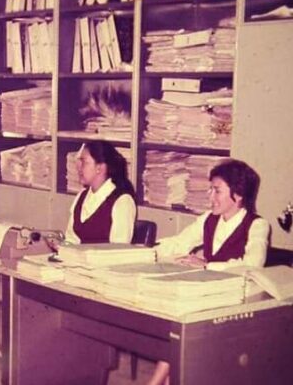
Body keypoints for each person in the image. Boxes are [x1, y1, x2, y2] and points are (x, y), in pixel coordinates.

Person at [149, 158, 269, 385]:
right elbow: (180, 242)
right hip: (208, 298)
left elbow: (253, 264)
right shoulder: (208, 219)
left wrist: (207, 266)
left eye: (217, 190)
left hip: (235, 306)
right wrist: (148, 252)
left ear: (238, 195)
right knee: (176, 328)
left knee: (180, 330)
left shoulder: (257, 225)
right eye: (210, 189)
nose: (210, 196)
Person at [63, 140, 137, 245]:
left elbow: (119, 249)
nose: (78, 167)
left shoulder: (122, 201)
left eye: (84, 162)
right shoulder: (82, 196)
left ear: (100, 168)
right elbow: (71, 239)